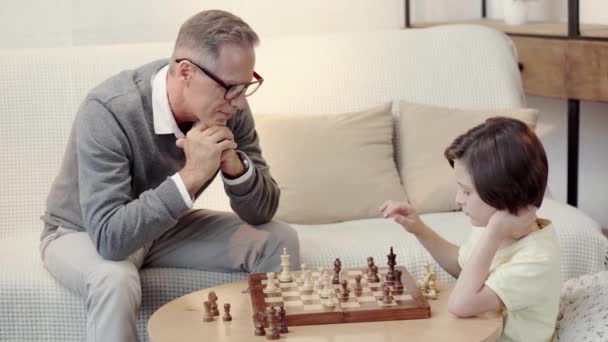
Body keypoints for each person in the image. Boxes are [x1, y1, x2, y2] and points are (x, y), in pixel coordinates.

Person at [39, 10, 300, 342]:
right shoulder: (109, 109)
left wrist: (235, 166)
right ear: (186, 71)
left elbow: (262, 213)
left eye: (246, 86)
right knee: (114, 280)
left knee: (279, 239)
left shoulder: (229, 110)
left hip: (163, 228)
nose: (237, 102)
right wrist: (191, 176)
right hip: (84, 231)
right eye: (231, 88)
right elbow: (110, 239)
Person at [380, 117, 560, 342]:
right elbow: (463, 266)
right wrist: (419, 229)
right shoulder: (494, 226)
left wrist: (494, 232)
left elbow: (461, 305)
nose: (458, 200)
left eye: (466, 191)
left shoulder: (536, 260)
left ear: (503, 194)